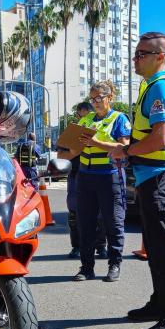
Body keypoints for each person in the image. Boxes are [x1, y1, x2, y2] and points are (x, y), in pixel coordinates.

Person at [111, 31, 165, 329]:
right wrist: (126, 149)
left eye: (142, 53)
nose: (135, 58)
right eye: (135, 53)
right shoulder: (149, 88)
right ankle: (160, 304)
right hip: (151, 178)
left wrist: (128, 150)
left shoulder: (161, 87)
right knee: (155, 248)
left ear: (161, 57)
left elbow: (161, 137)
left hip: (162, 177)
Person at [60, 80, 131, 282]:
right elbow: (73, 148)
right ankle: (86, 267)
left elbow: (123, 148)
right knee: (85, 224)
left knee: (113, 223)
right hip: (85, 177)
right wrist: (65, 150)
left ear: (110, 97)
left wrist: (95, 142)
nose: (96, 102)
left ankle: (114, 264)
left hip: (110, 176)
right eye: (92, 99)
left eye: (99, 97)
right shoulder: (86, 120)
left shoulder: (119, 119)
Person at [58, 102, 107, 260]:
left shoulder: (103, 129)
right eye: (81, 116)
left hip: (97, 174)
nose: (85, 119)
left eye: (88, 115)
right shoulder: (72, 131)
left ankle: (101, 246)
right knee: (75, 213)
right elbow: (61, 155)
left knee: (100, 214)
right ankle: (77, 246)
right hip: (76, 175)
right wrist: (76, 146)